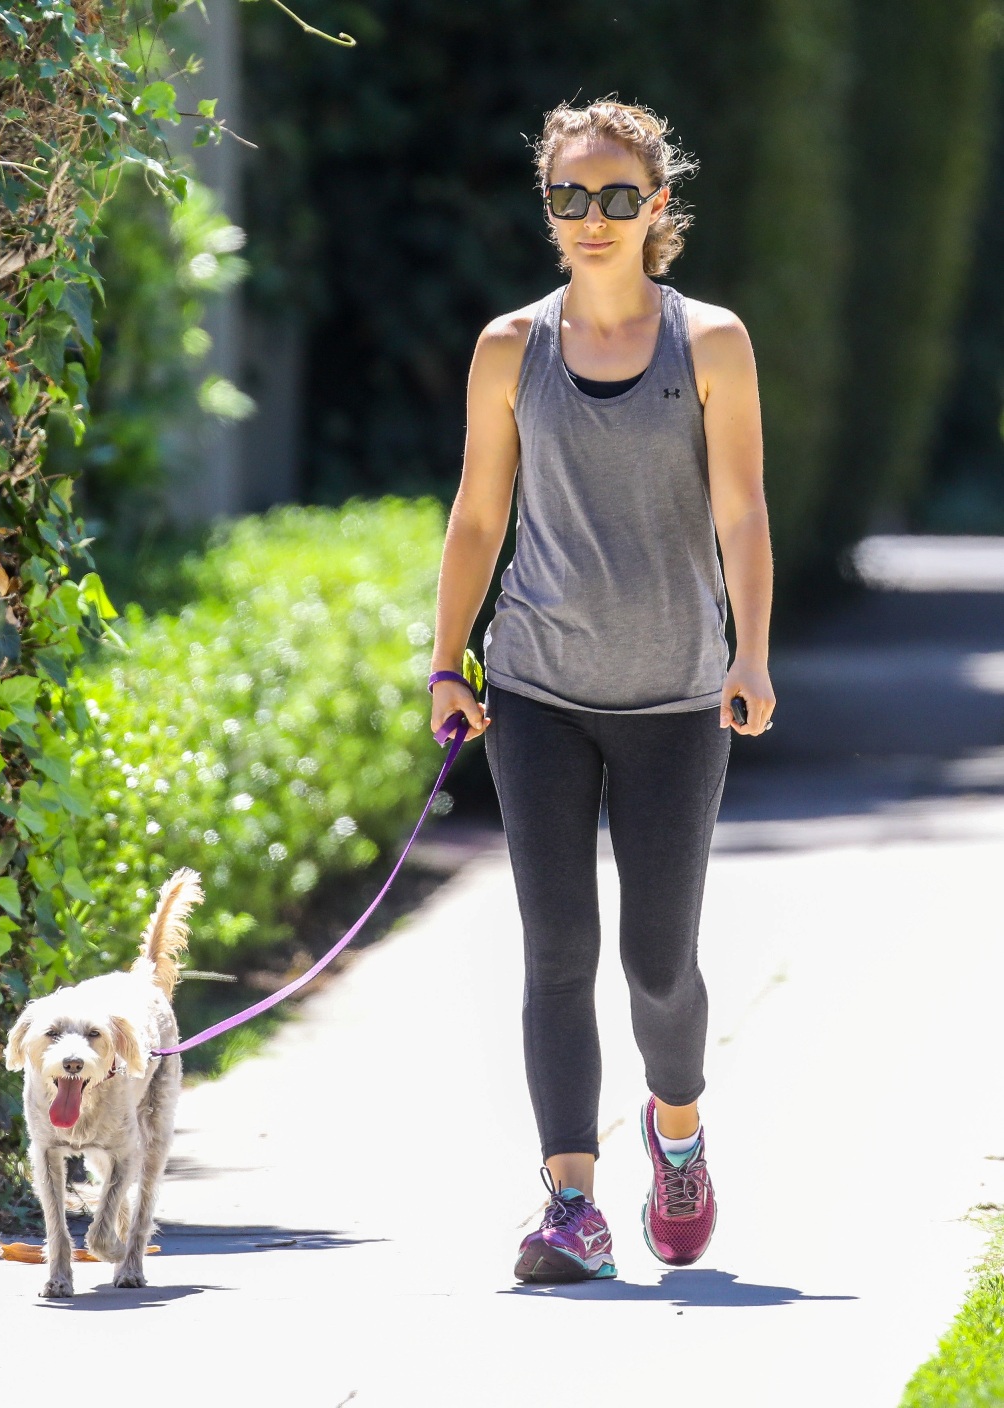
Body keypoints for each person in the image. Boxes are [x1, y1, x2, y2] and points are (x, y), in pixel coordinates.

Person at [428, 98, 775, 1282]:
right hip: (536, 687)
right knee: (555, 945)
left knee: (658, 962)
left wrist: (751, 652)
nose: (591, 217)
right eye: (570, 196)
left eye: (616, 196)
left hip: (677, 695)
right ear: (548, 205)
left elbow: (740, 509)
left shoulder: (711, 342)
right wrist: (447, 662)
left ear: (656, 208)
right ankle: (567, 1202)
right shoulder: (508, 348)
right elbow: (478, 516)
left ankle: (674, 1130)